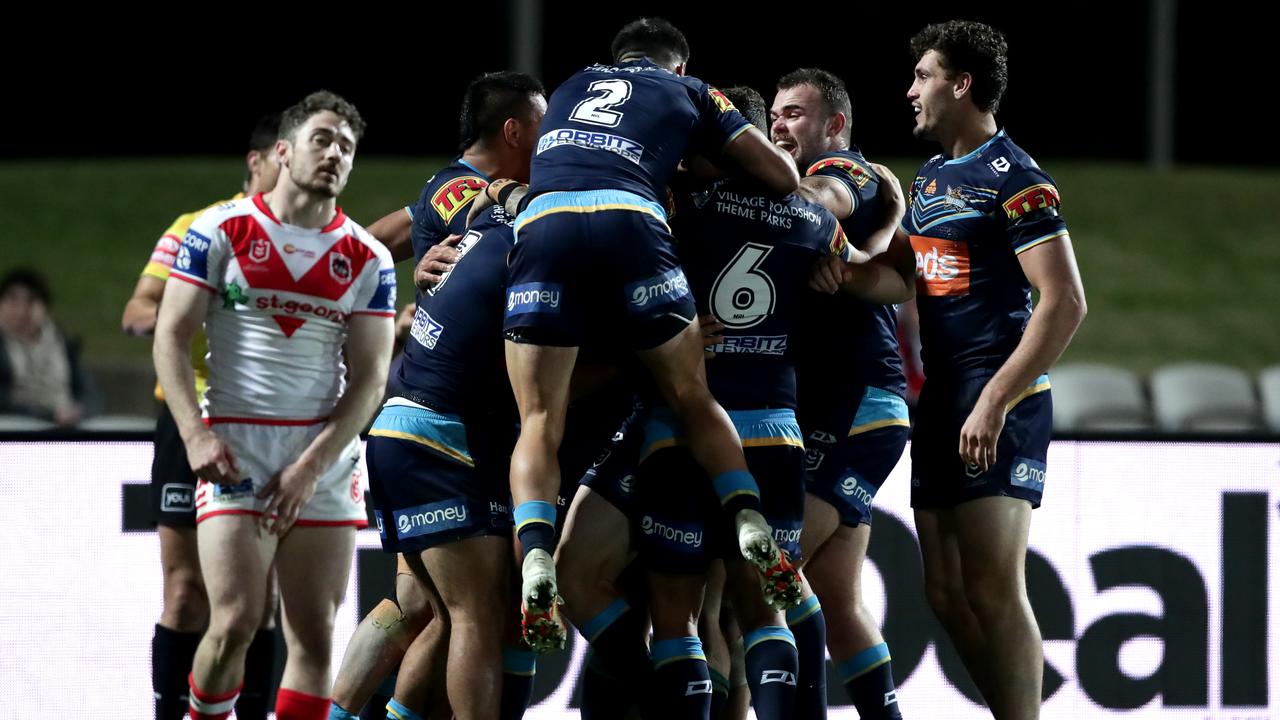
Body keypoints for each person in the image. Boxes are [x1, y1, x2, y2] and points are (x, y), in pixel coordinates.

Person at [497, 16, 803, 651]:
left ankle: (534, 555)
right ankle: (746, 515)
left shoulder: (570, 85)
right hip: (632, 219)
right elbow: (783, 177)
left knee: (538, 419)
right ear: (680, 66)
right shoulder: (691, 92)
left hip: (546, 221)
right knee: (692, 395)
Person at [153, 90, 396, 720]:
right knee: (233, 620)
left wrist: (313, 466)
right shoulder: (222, 230)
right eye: (322, 139)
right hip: (237, 446)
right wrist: (196, 436)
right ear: (282, 151)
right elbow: (170, 337)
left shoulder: (367, 258)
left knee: (314, 638)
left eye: (346, 146)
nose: (335, 154)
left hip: (322, 460)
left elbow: (370, 380)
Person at [326, 71, 546, 720]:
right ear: (512, 130)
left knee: (431, 612)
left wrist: (397, 286)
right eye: (544, 123)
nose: (556, 135)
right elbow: (480, 216)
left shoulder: (448, 189)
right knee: (452, 610)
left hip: (451, 413)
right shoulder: (462, 186)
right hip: (440, 412)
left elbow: (366, 243)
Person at [632, 84, 855, 719]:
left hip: (684, 429)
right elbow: (884, 270)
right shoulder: (813, 219)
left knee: (677, 621)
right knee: (764, 615)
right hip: (776, 436)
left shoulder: (679, 208)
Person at [904, 21, 1086, 719]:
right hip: (942, 401)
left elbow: (1065, 301)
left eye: (923, 76)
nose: (911, 90)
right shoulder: (927, 180)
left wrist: (994, 401)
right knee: (944, 593)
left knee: (991, 588)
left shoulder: (1017, 177)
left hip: (997, 403)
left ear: (961, 84)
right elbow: (920, 281)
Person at [121, 113, 282, 720]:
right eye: (280, 162)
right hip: (191, 423)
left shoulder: (305, 239)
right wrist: (185, 313)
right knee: (187, 594)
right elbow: (140, 308)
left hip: (270, 428)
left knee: (258, 600)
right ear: (257, 161)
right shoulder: (199, 228)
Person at [771, 68, 915, 719]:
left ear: (833, 125)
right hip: (828, 409)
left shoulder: (846, 169)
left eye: (795, 114)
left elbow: (825, 198)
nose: (778, 125)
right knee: (834, 591)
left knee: (771, 572)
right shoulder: (781, 197)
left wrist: (755, 182)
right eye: (774, 115)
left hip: (858, 407)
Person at [0, 268, 96, 426]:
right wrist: (49, 415)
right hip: (14, 429)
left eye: (30, 302)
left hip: (66, 426)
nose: (20, 311)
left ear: (44, 307)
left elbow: (89, 392)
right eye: (12, 300)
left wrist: (80, 411)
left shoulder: (62, 343)